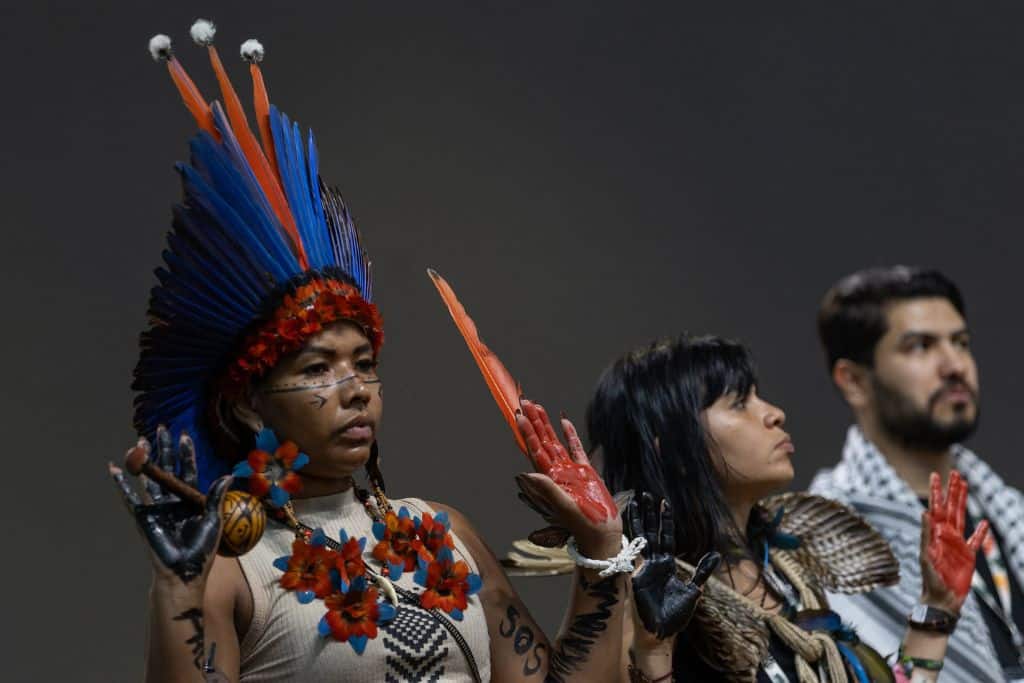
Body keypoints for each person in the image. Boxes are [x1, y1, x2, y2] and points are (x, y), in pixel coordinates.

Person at [109, 20, 638, 682]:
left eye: (364, 364)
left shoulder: (444, 532)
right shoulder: (230, 565)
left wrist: (600, 547)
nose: (356, 387)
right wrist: (178, 590)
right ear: (247, 403)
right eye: (318, 368)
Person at [586, 334, 987, 682]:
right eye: (739, 403)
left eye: (757, 396)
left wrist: (937, 608)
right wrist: (653, 650)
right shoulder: (639, 600)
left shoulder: (789, 574)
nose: (774, 414)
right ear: (673, 449)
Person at [809, 266, 1024, 682]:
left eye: (961, 343)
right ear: (853, 381)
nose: (955, 365)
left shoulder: (1010, 510)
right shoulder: (824, 542)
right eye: (920, 346)